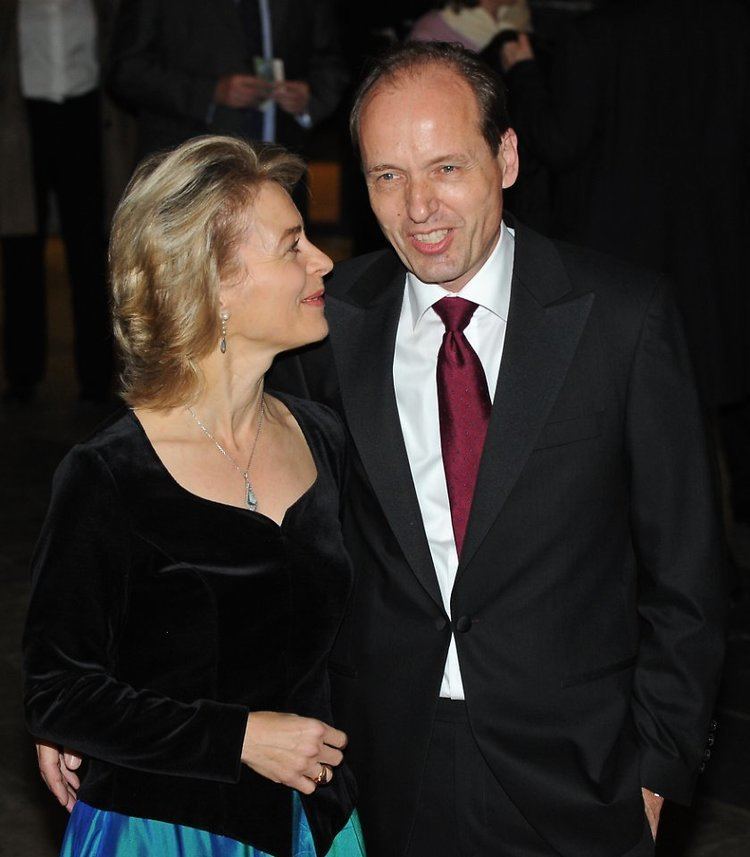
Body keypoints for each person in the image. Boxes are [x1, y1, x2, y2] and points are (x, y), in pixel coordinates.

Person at [38, 42, 727, 857]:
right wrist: (91, 711)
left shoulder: (621, 319)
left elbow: (690, 571)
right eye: (387, 176)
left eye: (445, 167)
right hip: (382, 775)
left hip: (579, 777)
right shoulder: (328, 330)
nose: (419, 207)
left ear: (505, 157)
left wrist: (659, 767)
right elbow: (214, 528)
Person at [24, 136, 364, 857]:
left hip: (319, 824)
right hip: (168, 830)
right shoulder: (108, 474)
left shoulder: (324, 437)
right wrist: (237, 737)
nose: (322, 261)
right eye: (292, 246)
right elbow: (58, 690)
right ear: (215, 286)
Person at [499, 0, 750, 526]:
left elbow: (560, 141)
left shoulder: (594, 34)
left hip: (629, 255)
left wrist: (522, 70)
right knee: (715, 404)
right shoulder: (729, 21)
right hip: (717, 247)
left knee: (646, 428)